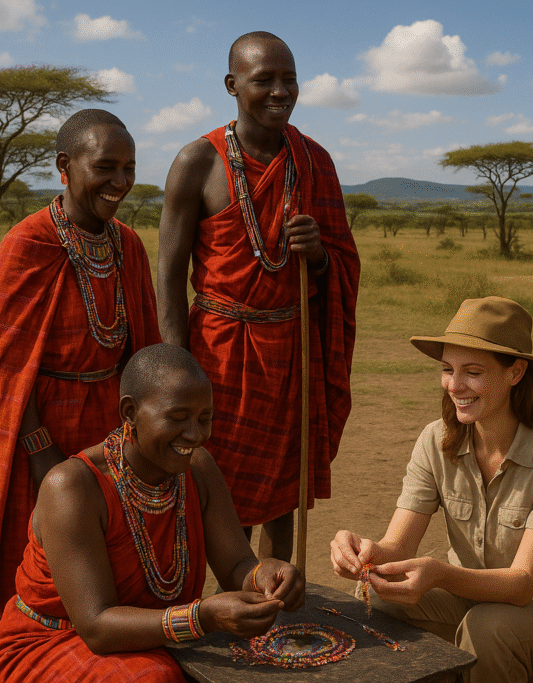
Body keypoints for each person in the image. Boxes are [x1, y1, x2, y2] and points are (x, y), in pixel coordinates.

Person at [0, 343, 305, 682]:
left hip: (153, 635)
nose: (195, 434)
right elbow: (96, 626)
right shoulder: (72, 487)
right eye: (178, 418)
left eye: (205, 419)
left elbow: (235, 566)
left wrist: (264, 574)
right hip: (55, 640)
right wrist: (202, 618)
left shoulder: (198, 469)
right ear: (130, 412)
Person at [158, 31, 360, 561]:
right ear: (231, 85)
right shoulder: (197, 162)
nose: (279, 92)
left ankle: (278, 598)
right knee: (217, 483)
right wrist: (178, 365)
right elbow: (169, 274)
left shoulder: (315, 161)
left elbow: (342, 264)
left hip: (290, 349)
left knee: (282, 489)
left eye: (288, 80)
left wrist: (317, 255)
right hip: (218, 351)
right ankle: (234, 597)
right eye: (263, 80)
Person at [331, 297, 533, 683]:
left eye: (472, 372)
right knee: (377, 600)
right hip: (469, 603)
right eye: (447, 369)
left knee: (488, 628)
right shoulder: (435, 440)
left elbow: (522, 585)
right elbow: (398, 547)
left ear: (516, 372)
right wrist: (364, 552)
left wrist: (439, 574)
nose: (455, 386)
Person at [0, 109, 162, 620]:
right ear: (64, 166)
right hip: (42, 422)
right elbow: (4, 370)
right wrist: (37, 450)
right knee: (40, 564)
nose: (120, 182)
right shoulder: (28, 243)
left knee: (112, 549)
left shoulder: (129, 245)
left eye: (129, 168)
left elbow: (141, 347)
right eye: (105, 167)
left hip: (113, 423)